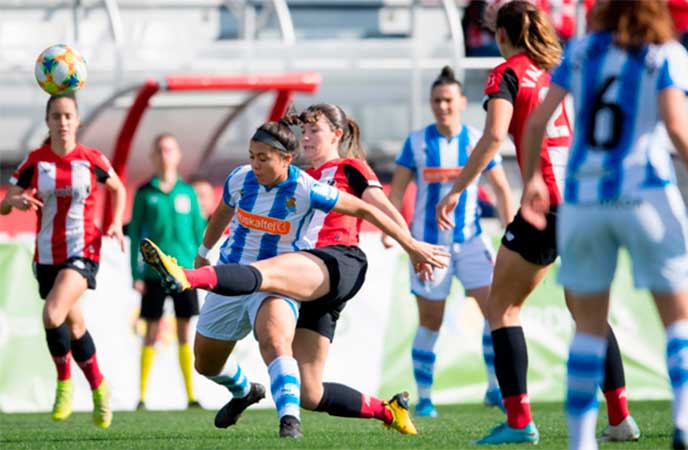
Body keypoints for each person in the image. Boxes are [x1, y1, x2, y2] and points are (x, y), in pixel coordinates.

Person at [140, 116, 448, 438]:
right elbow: (221, 215)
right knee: (209, 365)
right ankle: (247, 392)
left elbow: (368, 209)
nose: (255, 164)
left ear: (286, 159)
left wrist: (411, 246)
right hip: (230, 274)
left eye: (263, 158)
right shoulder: (240, 179)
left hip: (280, 278)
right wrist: (204, 250)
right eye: (251, 156)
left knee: (275, 340)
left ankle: (289, 422)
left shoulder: (306, 187)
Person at [518, 1, 688, 449]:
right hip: (646, 194)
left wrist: (533, 179)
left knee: (588, 329)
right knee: (680, 320)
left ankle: (581, 442)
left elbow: (537, 120)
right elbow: (676, 126)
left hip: (583, 200)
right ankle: (686, 427)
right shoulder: (665, 51)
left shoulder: (579, 50)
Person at [435, 1, 639, 444]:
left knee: (503, 309)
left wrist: (456, 189)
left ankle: (519, 422)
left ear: (502, 36)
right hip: (586, 199)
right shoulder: (562, 69)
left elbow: (493, 136)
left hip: (542, 202)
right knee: (588, 313)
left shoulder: (506, 72)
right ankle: (621, 418)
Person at [388, 66, 514, 418]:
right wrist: (393, 232)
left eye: (448, 100)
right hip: (430, 247)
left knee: (496, 313)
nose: (442, 106)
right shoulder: (416, 142)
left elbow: (502, 189)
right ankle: (425, 398)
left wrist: (510, 232)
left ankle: (494, 388)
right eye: (436, 101)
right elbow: (395, 193)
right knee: (430, 321)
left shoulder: (477, 139)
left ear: (462, 102)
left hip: (472, 242)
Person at [0, 93, 126, 428]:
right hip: (47, 255)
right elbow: (6, 201)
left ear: (78, 120)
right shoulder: (35, 162)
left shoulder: (91, 159)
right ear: (48, 121)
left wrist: (113, 222)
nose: (63, 122)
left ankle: (64, 382)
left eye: (68, 116)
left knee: (52, 313)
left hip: (83, 249)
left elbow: (117, 187)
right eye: (56, 116)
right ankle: (100, 387)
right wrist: (17, 201)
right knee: (74, 325)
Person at [128, 133, 205, 410]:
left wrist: (202, 269)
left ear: (178, 154)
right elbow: (135, 235)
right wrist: (135, 275)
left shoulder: (187, 192)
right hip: (153, 274)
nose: (165, 155)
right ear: (153, 155)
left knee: (186, 331)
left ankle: (191, 396)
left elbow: (200, 233)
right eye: (160, 149)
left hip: (184, 273)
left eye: (169, 149)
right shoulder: (144, 193)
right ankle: (142, 396)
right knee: (150, 331)